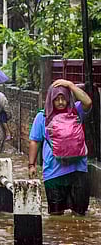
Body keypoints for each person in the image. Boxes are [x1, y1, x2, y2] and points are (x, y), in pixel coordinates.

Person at [28, 79, 92, 216]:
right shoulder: (42, 116)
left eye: (64, 98)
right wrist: (31, 165)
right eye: (57, 99)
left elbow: (88, 102)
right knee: (56, 216)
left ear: (69, 98)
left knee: (80, 214)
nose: (61, 102)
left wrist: (70, 85)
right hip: (53, 174)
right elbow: (35, 141)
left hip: (78, 171)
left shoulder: (76, 111)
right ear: (51, 99)